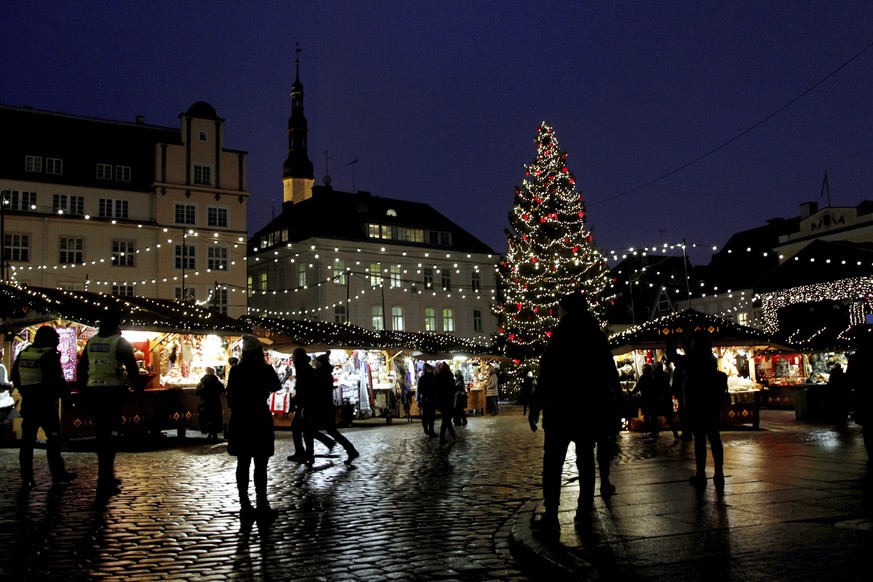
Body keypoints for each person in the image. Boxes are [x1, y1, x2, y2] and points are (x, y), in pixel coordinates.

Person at [529, 291, 622, 530]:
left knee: (553, 463)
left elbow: (547, 373)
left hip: (560, 408)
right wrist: (617, 402)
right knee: (585, 459)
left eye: (560, 308)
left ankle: (551, 514)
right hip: (589, 408)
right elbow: (610, 372)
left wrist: (536, 405)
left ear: (567, 310)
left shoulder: (560, 336)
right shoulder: (596, 336)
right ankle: (583, 508)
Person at [77, 307, 144, 497]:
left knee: (101, 437)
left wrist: (82, 394)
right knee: (112, 436)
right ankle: (105, 477)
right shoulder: (119, 343)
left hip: (93, 393)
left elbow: (82, 371)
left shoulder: (91, 342)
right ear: (117, 323)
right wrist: (139, 394)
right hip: (112, 394)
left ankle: (105, 475)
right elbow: (133, 370)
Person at [12, 326, 77, 488]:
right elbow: (58, 380)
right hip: (45, 405)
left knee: (27, 441)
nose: (57, 341)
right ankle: (57, 473)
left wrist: (24, 390)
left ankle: (26, 476)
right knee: (54, 439)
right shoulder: (49, 355)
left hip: (28, 403)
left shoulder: (24, 353)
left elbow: (15, 376)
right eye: (55, 338)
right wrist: (66, 398)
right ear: (48, 339)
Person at [226, 334, 281, 520]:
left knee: (243, 463)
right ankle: (262, 503)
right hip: (259, 418)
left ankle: (245, 504)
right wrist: (267, 366)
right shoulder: (262, 368)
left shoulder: (236, 370)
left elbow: (230, 396)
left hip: (241, 419)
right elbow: (276, 385)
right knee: (261, 464)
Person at [670, 332, 727, 488]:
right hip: (712, 404)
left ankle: (701, 473)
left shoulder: (691, 360)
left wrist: (674, 340)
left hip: (697, 404)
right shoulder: (710, 359)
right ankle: (719, 472)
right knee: (714, 438)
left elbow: (673, 356)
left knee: (700, 439)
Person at [312, 351, 360, 465]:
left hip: (323, 407)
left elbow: (319, 391)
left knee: (317, 430)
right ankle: (349, 450)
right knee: (331, 431)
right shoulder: (325, 373)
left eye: (317, 363)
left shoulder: (321, 374)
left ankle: (348, 449)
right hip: (326, 406)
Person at [847, 336, 873, 466]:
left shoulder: (855, 359)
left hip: (863, 396)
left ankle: (871, 454)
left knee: (868, 429)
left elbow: (850, 378)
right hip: (865, 396)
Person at [196, 366, 225, 442]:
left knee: (206, 417)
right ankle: (214, 433)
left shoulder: (203, 381)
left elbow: (198, 391)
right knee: (215, 417)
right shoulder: (216, 381)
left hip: (205, 402)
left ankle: (208, 432)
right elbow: (222, 389)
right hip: (215, 402)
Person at [435, 362, 457, 445]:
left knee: (446, 419)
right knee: (446, 419)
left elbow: (436, 389)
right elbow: (453, 388)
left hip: (441, 401)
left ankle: (447, 436)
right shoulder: (449, 376)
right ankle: (448, 436)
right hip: (448, 400)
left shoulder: (438, 376)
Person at [417, 364, 437, 437]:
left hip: (432, 400)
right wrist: (425, 396)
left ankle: (431, 430)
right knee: (426, 416)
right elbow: (420, 390)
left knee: (432, 416)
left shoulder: (433, 378)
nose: (430, 370)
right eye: (429, 369)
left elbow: (435, 389)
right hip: (426, 400)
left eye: (430, 369)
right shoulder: (422, 378)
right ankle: (426, 430)